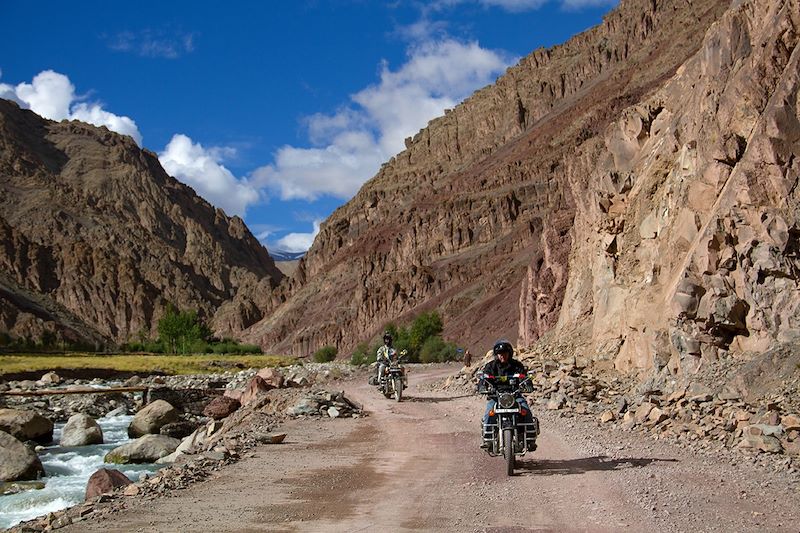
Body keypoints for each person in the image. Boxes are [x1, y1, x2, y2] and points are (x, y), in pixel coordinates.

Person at [478, 340, 537, 451]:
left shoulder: (517, 365)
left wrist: (528, 383)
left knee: (526, 410)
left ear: (509, 353)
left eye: (505, 353)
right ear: (496, 355)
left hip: (515, 395)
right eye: (500, 353)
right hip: (496, 396)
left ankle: (530, 439)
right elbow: (484, 378)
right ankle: (488, 440)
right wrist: (482, 385)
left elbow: (524, 377)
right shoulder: (491, 366)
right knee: (489, 413)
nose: (502, 356)